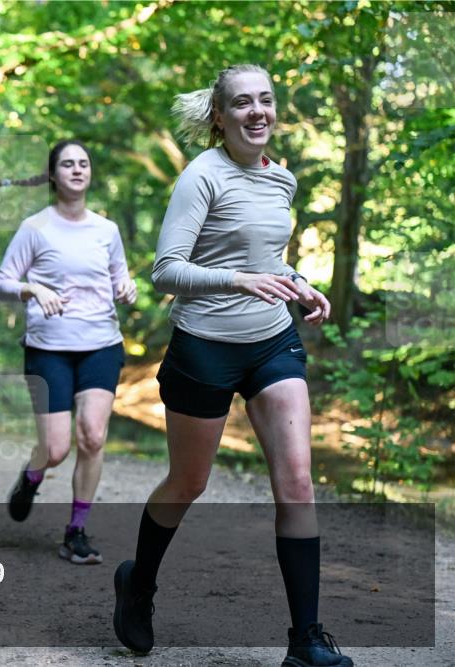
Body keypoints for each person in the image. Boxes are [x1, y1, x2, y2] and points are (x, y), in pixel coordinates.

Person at [111, 65, 350, 667]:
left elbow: (269, 257)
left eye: (265, 100)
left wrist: (298, 283)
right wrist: (238, 280)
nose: (257, 112)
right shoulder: (202, 177)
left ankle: (306, 641)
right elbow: (166, 270)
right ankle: (138, 585)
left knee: (296, 483)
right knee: (189, 483)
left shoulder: (282, 180)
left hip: (272, 342)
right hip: (205, 346)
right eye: (242, 103)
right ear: (220, 116)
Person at [0, 140, 137, 565]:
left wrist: (128, 289)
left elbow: (121, 281)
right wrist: (33, 287)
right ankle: (32, 476)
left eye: (83, 164)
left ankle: (76, 531)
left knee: (92, 435)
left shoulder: (106, 230)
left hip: (101, 346)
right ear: (53, 175)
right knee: (55, 449)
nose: (77, 170)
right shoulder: (35, 228)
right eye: (68, 164)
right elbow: (2, 283)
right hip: (49, 348)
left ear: (90, 173)